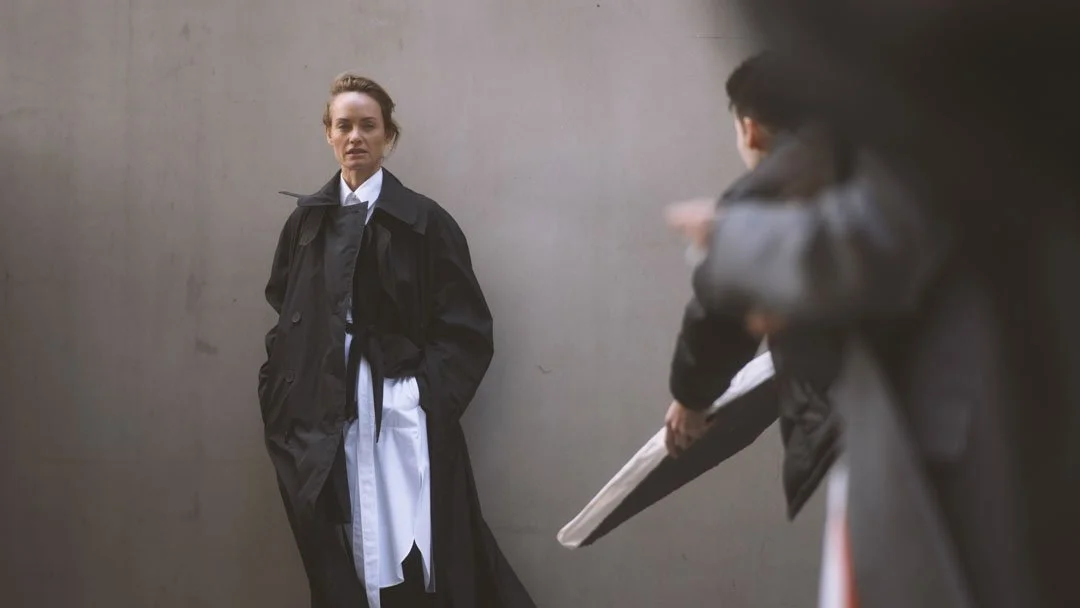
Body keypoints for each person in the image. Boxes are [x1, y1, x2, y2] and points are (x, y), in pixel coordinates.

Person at [682, 2, 1080, 605]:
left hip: (956, 435)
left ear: (747, 126)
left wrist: (730, 248)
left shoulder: (908, 109)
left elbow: (875, 239)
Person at [258, 73, 536, 608]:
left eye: (369, 125)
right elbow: (285, 313)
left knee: (419, 557)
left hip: (401, 412)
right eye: (345, 125)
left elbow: (467, 329)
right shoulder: (305, 225)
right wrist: (279, 395)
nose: (356, 136)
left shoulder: (424, 222)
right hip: (321, 417)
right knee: (341, 557)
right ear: (328, 134)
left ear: (389, 136)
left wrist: (423, 397)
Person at [664, 52, 849, 521]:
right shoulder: (876, 165)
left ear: (750, 129)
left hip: (857, 418)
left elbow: (722, 305)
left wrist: (690, 398)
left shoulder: (769, 189)